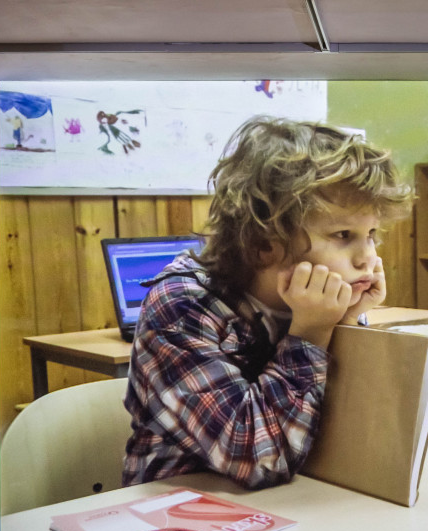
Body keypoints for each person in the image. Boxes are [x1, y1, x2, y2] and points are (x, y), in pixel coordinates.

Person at [123, 116, 413, 490]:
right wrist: (310, 335)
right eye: (344, 235)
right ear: (263, 246)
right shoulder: (182, 307)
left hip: (287, 508)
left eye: (371, 234)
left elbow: (340, 440)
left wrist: (345, 322)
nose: (367, 258)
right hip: (179, 518)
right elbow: (261, 459)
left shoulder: (315, 306)